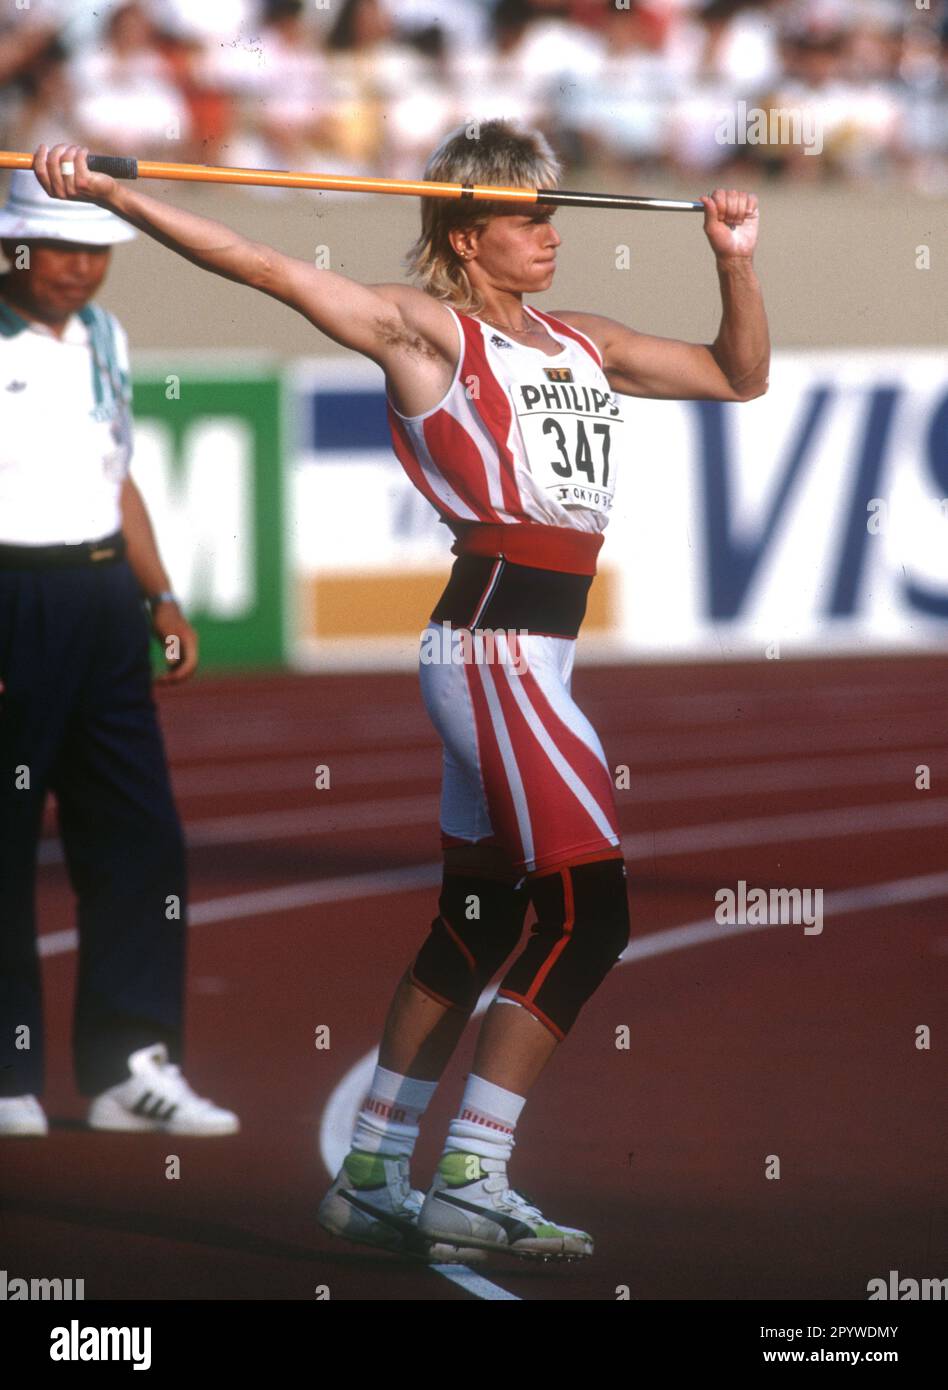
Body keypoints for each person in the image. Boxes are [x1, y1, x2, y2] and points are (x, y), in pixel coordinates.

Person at [31, 118, 768, 1256]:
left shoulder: (584, 343)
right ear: (467, 238)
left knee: (475, 921)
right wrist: (120, 199)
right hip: (495, 646)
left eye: (550, 210)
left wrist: (732, 258)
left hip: (528, 650)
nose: (549, 232)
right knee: (588, 913)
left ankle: (372, 1168)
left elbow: (738, 376)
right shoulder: (430, 336)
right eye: (526, 216)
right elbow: (264, 265)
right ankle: (474, 1171)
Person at [0, 170, 239, 1138]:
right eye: (60, 248)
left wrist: (162, 592)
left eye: (96, 250)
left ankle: (129, 1063)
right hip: (9, 593)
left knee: (140, 836)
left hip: (102, 599)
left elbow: (119, 469)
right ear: (12, 245)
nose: (81, 269)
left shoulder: (105, 335)